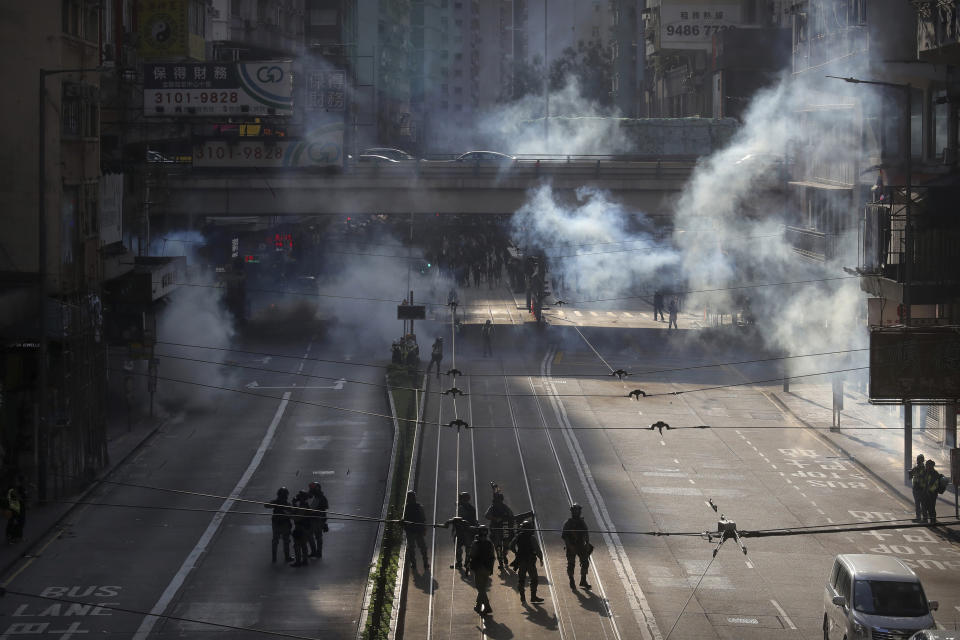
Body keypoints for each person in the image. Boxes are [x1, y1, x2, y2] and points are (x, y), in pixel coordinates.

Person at [510, 519, 544, 605]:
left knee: (521, 580)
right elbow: (537, 549)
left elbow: (511, 546)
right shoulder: (532, 538)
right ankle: (533, 596)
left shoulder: (518, 536)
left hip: (521, 561)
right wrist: (541, 558)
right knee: (534, 579)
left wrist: (516, 552)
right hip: (530, 561)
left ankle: (523, 597)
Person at [561, 503, 593, 589]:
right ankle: (571, 580)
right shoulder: (568, 523)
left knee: (585, 563)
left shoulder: (582, 522)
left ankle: (583, 580)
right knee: (571, 564)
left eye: (578, 510)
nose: (576, 512)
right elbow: (564, 536)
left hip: (581, 546)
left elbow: (586, 533)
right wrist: (569, 546)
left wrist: (587, 543)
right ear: (572, 511)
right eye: (575, 510)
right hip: (571, 546)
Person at [483, 487, 514, 570]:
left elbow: (511, 515)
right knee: (498, 546)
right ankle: (500, 561)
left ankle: (504, 556)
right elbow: (486, 515)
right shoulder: (492, 507)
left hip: (505, 528)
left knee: (506, 545)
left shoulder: (505, 507)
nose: (498, 502)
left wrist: (506, 518)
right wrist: (495, 519)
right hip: (495, 529)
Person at [469, 525, 496, 616]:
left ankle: (487, 607)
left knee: (480, 588)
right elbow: (493, 556)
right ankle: (478, 605)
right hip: (487, 568)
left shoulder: (475, 543)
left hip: (479, 568)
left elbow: (472, 555)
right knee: (482, 588)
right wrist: (491, 568)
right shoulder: (490, 543)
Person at [403, 490, 430, 571]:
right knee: (416, 548)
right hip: (414, 531)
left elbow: (423, 518)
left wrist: (424, 528)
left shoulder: (409, 507)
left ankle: (422, 563)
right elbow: (423, 518)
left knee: (420, 548)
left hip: (416, 531)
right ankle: (417, 563)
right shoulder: (410, 507)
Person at [265, 487, 293, 564]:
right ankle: (286, 557)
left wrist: (275, 502)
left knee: (276, 541)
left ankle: (274, 558)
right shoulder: (286, 504)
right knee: (285, 541)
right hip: (283, 524)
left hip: (278, 524)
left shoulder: (279, 503)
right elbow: (292, 514)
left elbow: (266, 505)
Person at [452, 491, 478, 571]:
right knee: (468, 548)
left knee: (459, 547)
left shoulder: (461, 508)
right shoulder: (471, 508)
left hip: (462, 531)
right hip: (468, 530)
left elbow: (458, 518)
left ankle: (460, 563)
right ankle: (467, 562)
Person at [290, 490, 312, 567]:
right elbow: (296, 511)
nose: (298, 497)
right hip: (305, 527)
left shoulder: (303, 507)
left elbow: (297, 518)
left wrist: (289, 515)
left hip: (302, 528)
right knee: (303, 545)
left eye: (300, 496)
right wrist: (294, 504)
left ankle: (299, 561)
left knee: (298, 545)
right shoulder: (303, 505)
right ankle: (304, 560)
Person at [307, 481, 329, 558]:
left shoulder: (319, 498)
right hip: (319, 519)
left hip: (316, 519)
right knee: (318, 536)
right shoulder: (320, 497)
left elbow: (312, 509)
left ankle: (315, 551)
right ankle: (318, 552)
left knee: (312, 535)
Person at [909, 454, 926, 522]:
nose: (918, 461)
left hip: (920, 488)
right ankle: (921, 517)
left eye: (919, 459)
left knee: (920, 504)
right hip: (917, 488)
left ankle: (921, 518)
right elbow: (911, 476)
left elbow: (911, 476)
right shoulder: (917, 468)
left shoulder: (922, 468)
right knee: (919, 504)